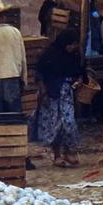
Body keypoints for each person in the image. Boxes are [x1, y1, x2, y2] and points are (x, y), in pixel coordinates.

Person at [33, 29, 83, 167]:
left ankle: (68, 152)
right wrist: (42, 89)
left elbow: (79, 71)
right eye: (71, 44)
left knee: (69, 123)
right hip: (52, 93)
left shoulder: (73, 55)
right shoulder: (50, 55)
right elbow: (40, 73)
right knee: (55, 125)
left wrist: (79, 80)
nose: (73, 47)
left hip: (67, 93)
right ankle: (56, 155)